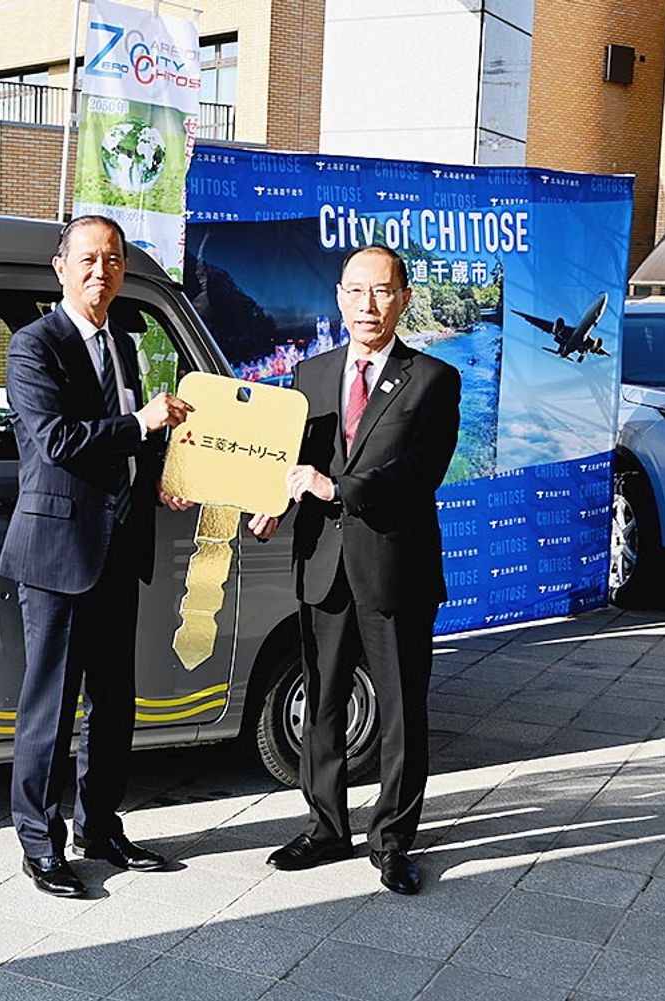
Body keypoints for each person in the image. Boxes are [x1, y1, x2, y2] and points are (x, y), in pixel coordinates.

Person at [249, 245, 460, 896]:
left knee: (400, 709)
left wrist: (336, 488)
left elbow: (419, 472)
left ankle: (393, 840)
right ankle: (325, 826)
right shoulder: (310, 374)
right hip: (322, 563)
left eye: (382, 291)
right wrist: (274, 502)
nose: (368, 304)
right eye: (356, 291)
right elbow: (293, 460)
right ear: (339, 297)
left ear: (403, 299)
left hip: (394, 565)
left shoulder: (433, 379)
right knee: (322, 701)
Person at [0, 215, 194, 898]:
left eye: (112, 259)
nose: (100, 271)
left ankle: (102, 827)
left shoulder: (123, 346)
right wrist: (142, 423)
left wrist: (160, 475)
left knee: (113, 702)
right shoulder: (34, 345)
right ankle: (39, 843)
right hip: (59, 552)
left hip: (120, 546)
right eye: (87, 259)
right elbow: (57, 440)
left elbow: (128, 445)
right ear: (60, 267)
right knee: (51, 706)